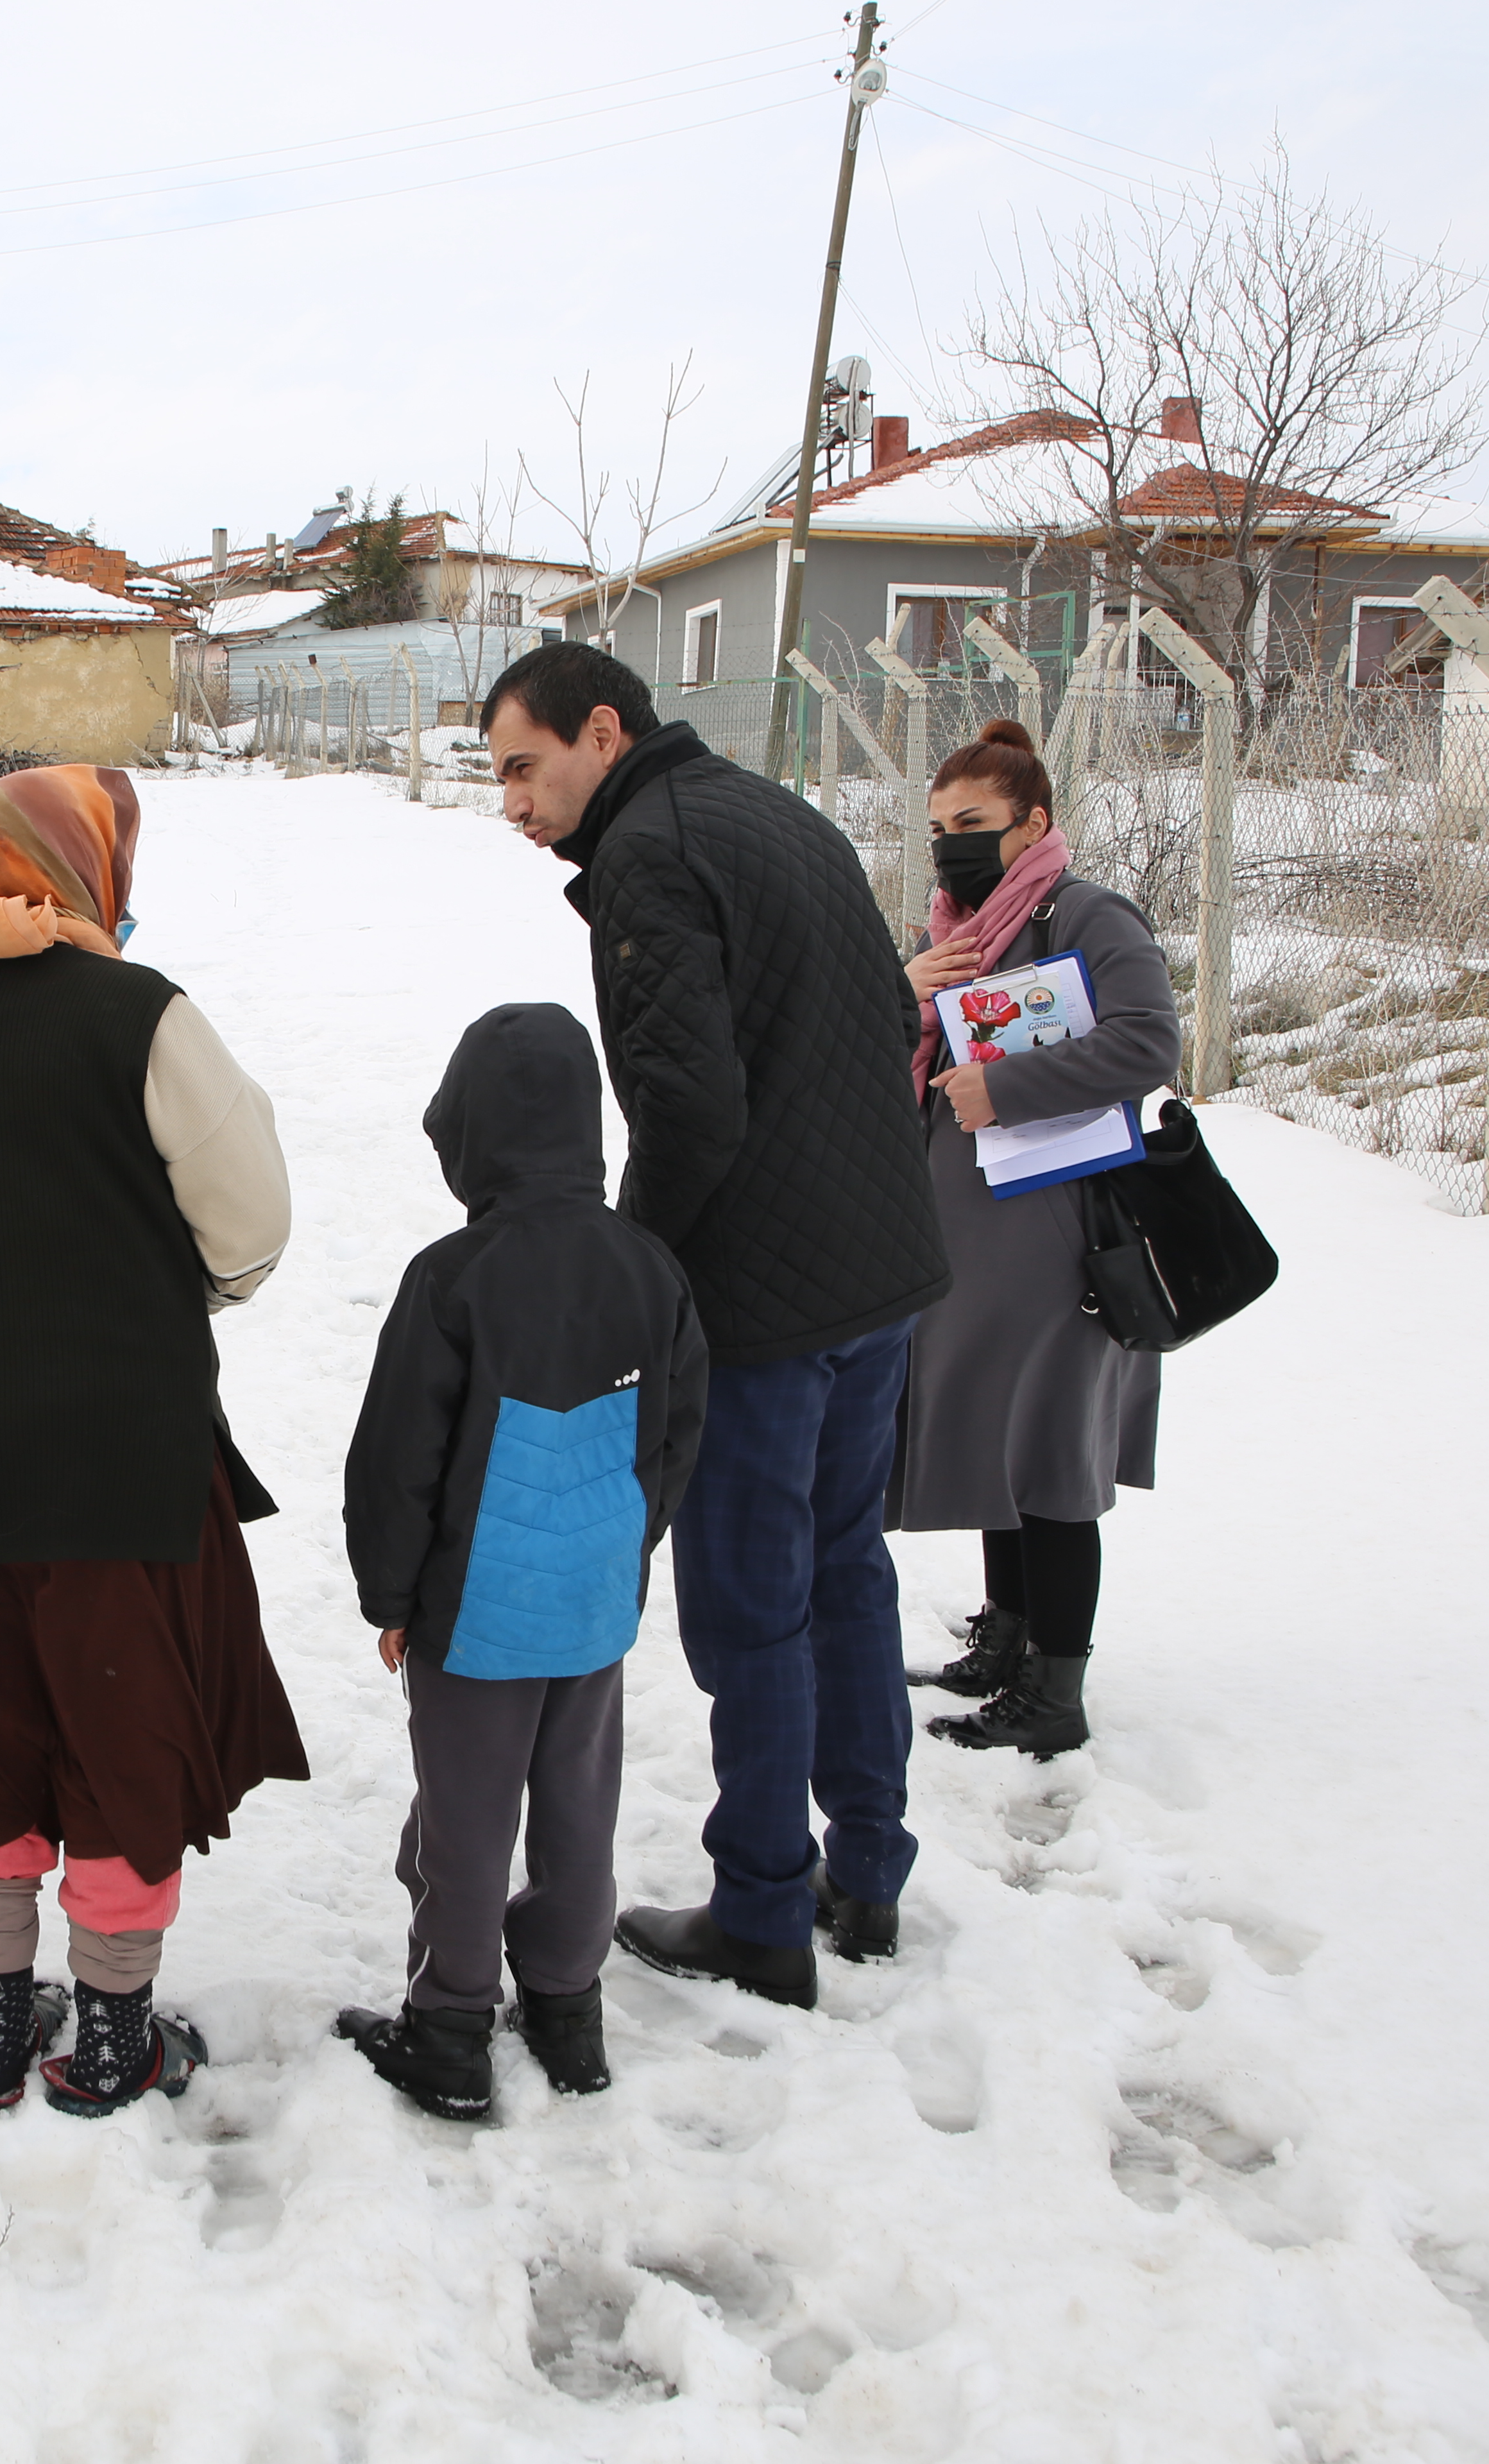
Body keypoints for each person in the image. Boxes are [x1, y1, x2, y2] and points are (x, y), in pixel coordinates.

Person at [480, 642, 950, 2011]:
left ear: (604, 734)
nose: (511, 802)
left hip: (768, 1304)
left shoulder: (648, 861)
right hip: (877, 1273)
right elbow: (878, 1022)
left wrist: (641, 1281)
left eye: (524, 766)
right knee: (847, 1572)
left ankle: (761, 1912)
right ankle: (866, 1870)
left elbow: (689, 1110)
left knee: (752, 1608)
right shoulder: (771, 810)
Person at [0, 764, 305, 2118]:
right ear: (92, 872)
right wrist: (173, 1291)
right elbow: (252, 1222)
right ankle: (110, 2039)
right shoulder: (142, 1018)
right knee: (120, 1737)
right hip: (115, 1463)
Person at [334, 1004, 708, 2121]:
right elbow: (680, 1431)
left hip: (475, 1611)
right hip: (594, 1601)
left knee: (467, 1817)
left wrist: (391, 1594)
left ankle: (450, 2027)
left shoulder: (453, 1278)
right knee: (579, 1801)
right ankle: (566, 2005)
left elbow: (398, 1457)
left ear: (475, 1135)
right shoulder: (651, 1268)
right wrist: (627, 1547)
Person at [894, 717, 1180, 1757]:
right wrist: (909, 993)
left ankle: (1055, 1691)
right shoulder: (957, 931)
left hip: (1058, 1241)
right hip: (972, 1241)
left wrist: (1005, 1088)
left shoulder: (1086, 916)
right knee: (995, 1438)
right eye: (938, 827)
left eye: (973, 823)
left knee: (1050, 1456)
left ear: (1035, 823)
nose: (952, 845)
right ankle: (1006, 1640)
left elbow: (1148, 1041)